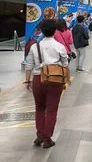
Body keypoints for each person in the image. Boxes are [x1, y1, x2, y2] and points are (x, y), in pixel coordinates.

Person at [24, 19, 69, 148]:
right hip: (54, 80)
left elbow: (29, 65)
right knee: (52, 110)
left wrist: (28, 81)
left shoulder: (34, 46)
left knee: (39, 108)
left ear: (42, 31)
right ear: (55, 31)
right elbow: (65, 64)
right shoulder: (59, 46)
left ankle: (39, 135)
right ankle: (47, 138)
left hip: (38, 79)